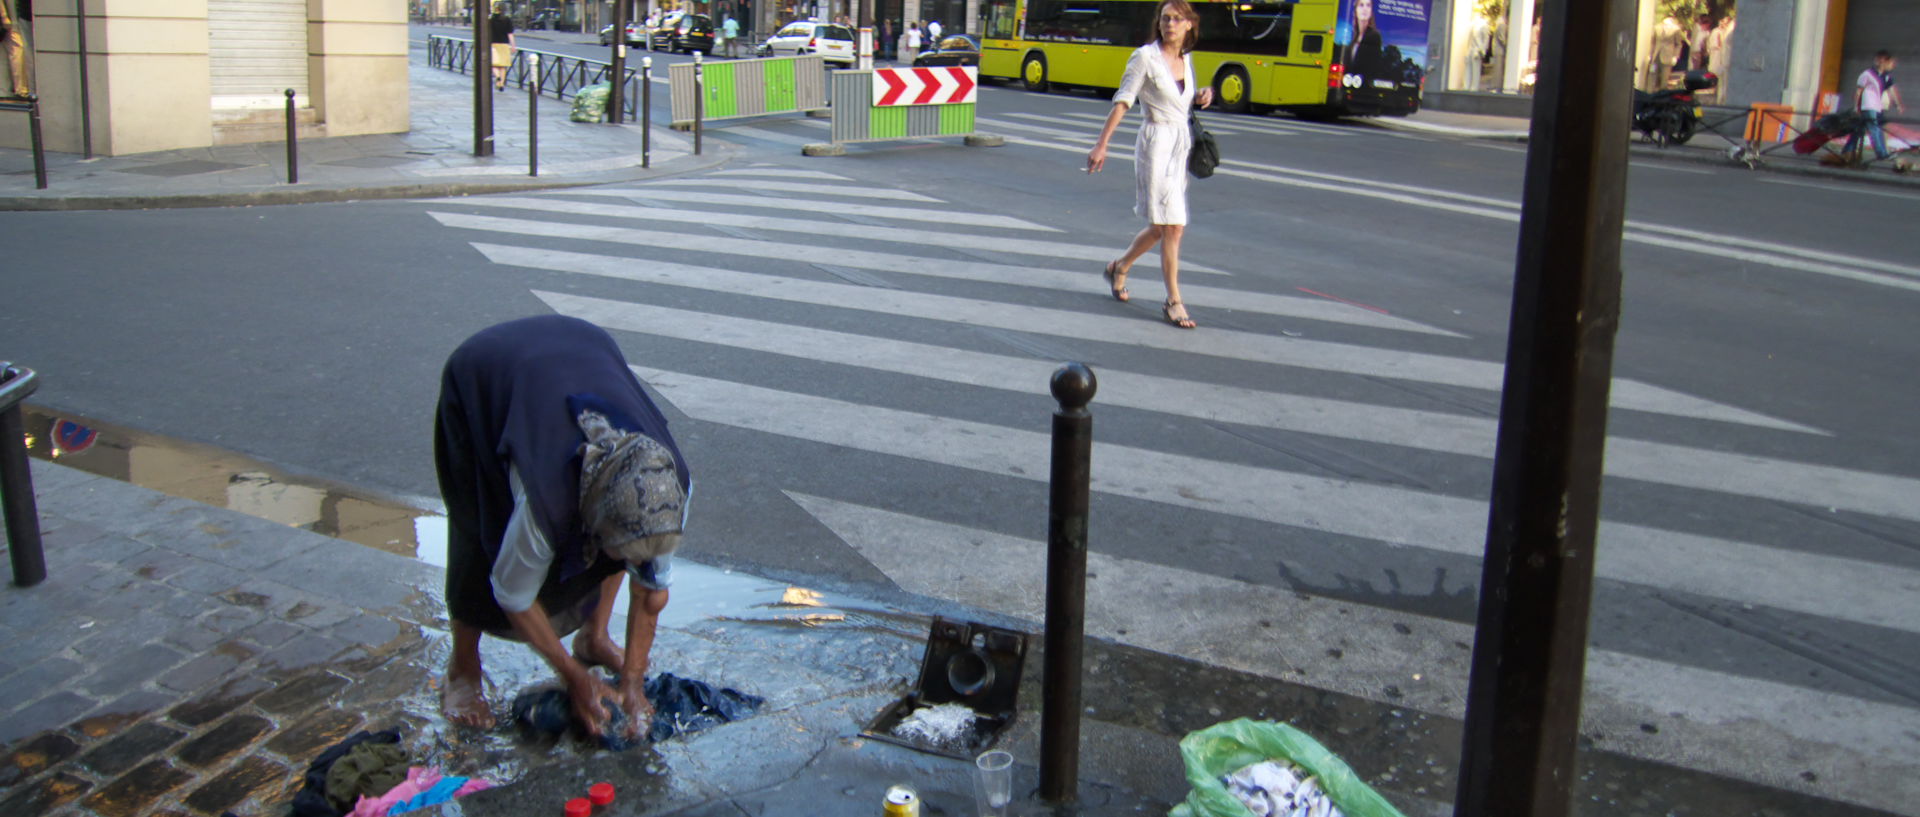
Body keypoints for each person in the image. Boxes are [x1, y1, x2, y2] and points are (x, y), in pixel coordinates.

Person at [434, 315, 694, 739]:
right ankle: (462, 669)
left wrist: (633, 681)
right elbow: (513, 596)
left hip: (584, 348)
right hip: (486, 376)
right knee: (477, 529)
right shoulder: (545, 501)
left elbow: (651, 592)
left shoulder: (668, 487)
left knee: (630, 546)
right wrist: (575, 679)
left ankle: (594, 637)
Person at [1086, 0, 1213, 330]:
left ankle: (1120, 266)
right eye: (1165, 18)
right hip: (1155, 146)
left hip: (1179, 146)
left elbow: (1179, 99)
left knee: (1162, 227)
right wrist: (1102, 143)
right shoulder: (1145, 56)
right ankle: (1174, 300)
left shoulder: (1185, 58)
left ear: (1189, 25)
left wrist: (1199, 95)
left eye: (1177, 19)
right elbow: (1124, 99)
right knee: (1173, 227)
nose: (1169, 24)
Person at [1846, 50, 1904, 163]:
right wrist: (1855, 108)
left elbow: (1893, 91)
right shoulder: (1867, 74)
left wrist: (1898, 105)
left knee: (1859, 130)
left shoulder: (1886, 77)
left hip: (1877, 107)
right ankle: (1882, 154)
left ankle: (1847, 151)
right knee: (1875, 129)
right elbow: (1858, 92)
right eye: (1891, 62)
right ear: (1883, 61)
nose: (1892, 65)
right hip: (1867, 106)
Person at [0, 0, 32, 98]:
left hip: (9, 20)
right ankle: (21, 89)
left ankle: (6, 91)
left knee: (5, 55)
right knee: (17, 49)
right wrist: (5, 17)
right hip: (9, 22)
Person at [487, 2, 515, 92]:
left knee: (493, 64)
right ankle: (501, 84)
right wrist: (513, 45)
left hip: (493, 44)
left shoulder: (491, 19)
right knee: (503, 66)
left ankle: (497, 76)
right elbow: (510, 34)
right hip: (504, 44)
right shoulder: (507, 19)